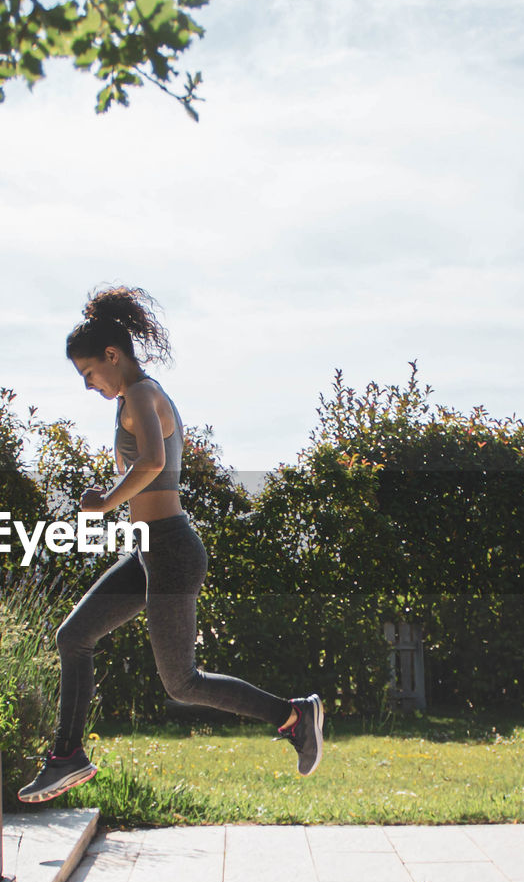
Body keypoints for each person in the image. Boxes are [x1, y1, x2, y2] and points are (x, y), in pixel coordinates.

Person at [17, 286, 324, 803]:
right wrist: (111, 496)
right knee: (73, 637)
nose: (88, 385)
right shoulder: (136, 397)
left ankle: (294, 715)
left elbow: (154, 464)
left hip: (173, 550)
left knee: (181, 682)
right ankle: (67, 756)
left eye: (89, 373)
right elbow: (146, 473)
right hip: (148, 551)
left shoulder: (141, 393)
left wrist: (106, 501)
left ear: (112, 356)